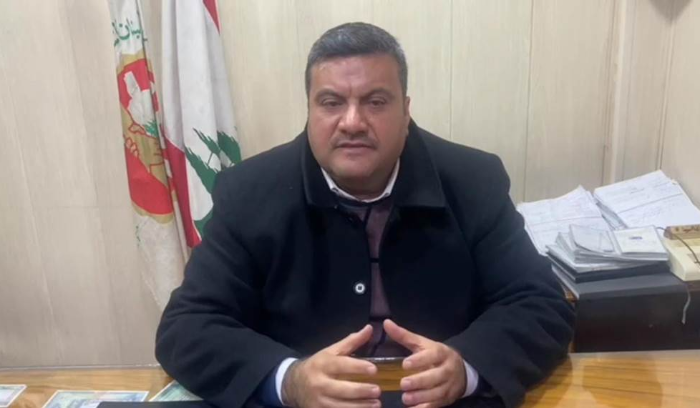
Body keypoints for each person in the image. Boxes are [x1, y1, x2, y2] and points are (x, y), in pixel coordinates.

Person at [155, 22, 574, 408]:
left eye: (375, 102)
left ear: (406, 111)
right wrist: (289, 380)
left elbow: (540, 304)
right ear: (309, 110)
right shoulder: (249, 192)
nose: (352, 122)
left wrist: (466, 367)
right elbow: (187, 327)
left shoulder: (472, 180)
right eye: (331, 102)